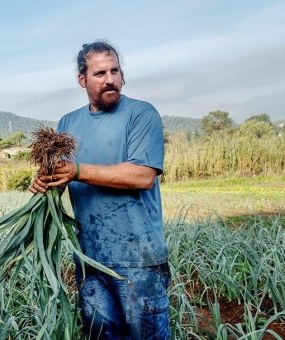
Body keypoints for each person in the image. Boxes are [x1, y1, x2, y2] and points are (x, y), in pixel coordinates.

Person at [29, 41, 171, 339]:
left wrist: (78, 171)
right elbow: (59, 176)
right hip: (90, 259)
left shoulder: (141, 114)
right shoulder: (68, 123)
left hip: (138, 259)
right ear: (82, 80)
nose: (110, 79)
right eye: (99, 73)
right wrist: (44, 181)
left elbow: (143, 175)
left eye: (115, 71)